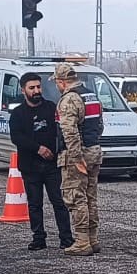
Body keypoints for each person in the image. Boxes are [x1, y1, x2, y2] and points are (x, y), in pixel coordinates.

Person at [8, 71, 73, 251]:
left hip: (52, 165)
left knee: (59, 202)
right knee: (35, 204)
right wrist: (38, 148)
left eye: (38, 87)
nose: (36, 91)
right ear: (23, 90)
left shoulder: (51, 108)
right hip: (30, 166)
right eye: (32, 88)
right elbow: (16, 137)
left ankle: (66, 238)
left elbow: (61, 132)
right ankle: (38, 238)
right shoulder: (18, 113)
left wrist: (57, 150)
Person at [54, 62, 103, 257]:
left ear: (62, 82)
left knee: (76, 197)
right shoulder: (91, 96)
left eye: (57, 83)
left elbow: (69, 132)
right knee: (90, 197)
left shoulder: (69, 99)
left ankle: (82, 241)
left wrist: (76, 158)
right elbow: (99, 125)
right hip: (94, 150)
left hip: (78, 154)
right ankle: (93, 239)